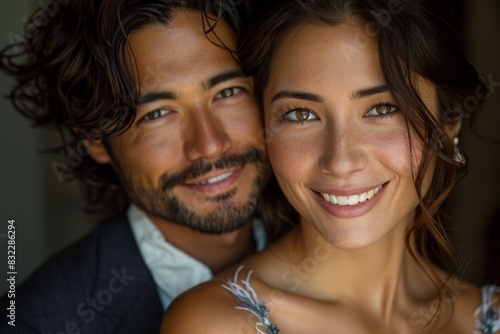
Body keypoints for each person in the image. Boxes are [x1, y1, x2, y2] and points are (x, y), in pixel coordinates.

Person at [161, 0, 500, 333]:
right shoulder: (218, 324)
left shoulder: (490, 318)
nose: (340, 162)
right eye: (301, 114)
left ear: (448, 123)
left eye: (382, 109)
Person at [0, 0, 294, 333]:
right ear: (96, 139)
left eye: (228, 91)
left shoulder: (330, 250)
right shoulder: (35, 323)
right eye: (157, 114)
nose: (209, 144)